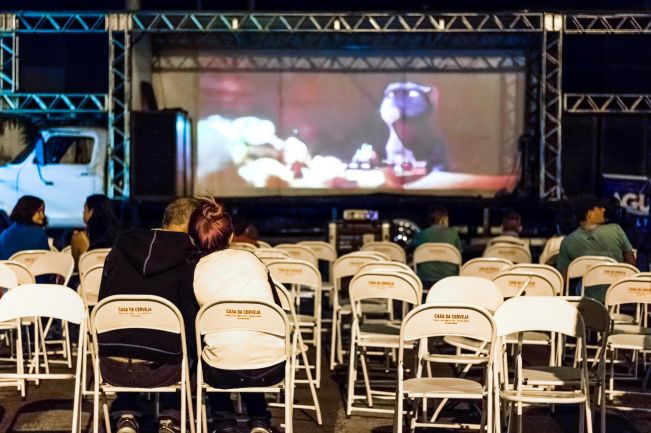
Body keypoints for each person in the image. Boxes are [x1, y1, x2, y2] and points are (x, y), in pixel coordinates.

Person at [97, 197, 200, 433]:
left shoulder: (118, 251)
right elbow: (191, 325)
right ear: (193, 226)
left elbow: (103, 306)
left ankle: (125, 412)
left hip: (112, 367)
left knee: (127, 332)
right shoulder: (191, 259)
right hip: (163, 372)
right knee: (192, 340)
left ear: (165, 221)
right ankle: (171, 416)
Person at [190, 198, 283, 433]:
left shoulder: (193, 271)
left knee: (214, 345)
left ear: (193, 238)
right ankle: (260, 420)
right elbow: (277, 311)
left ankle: (223, 422)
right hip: (271, 367)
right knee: (250, 340)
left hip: (221, 370)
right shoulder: (252, 260)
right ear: (231, 236)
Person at [557, 194, 636, 302]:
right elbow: (631, 264)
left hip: (586, 302)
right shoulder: (616, 230)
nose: (603, 209)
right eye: (599, 207)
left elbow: (562, 280)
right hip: (619, 300)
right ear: (590, 214)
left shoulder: (568, 242)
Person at [412, 205, 462, 289]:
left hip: (425, 279)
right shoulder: (453, 234)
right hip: (449, 278)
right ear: (444, 219)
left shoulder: (421, 235)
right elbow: (459, 255)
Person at [71, 194, 120, 268]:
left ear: (91, 212)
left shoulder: (79, 238)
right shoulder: (119, 238)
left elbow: (76, 267)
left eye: (85, 209)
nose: (83, 212)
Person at [0, 195, 49, 260]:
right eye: (39, 211)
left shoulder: (4, 234)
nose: (42, 216)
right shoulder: (39, 234)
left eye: (43, 212)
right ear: (28, 211)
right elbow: (47, 260)